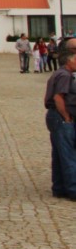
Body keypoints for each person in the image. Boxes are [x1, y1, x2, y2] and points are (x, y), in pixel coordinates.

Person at [44, 42, 76, 200]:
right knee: (68, 153)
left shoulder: (60, 73)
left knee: (59, 153)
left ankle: (59, 187)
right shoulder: (65, 75)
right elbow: (58, 97)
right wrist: (67, 117)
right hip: (60, 117)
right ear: (70, 60)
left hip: (55, 117)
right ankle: (73, 189)